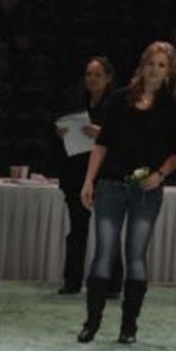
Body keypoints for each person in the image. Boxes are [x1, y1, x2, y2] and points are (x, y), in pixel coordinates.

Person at [77, 40, 176, 345]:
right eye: (151, 63)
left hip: (146, 191)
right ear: (142, 65)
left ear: (169, 72)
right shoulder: (118, 100)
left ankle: (129, 326)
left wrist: (160, 175)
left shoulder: (173, 109)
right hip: (111, 184)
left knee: (136, 255)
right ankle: (91, 323)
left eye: (161, 65)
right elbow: (102, 144)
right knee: (103, 252)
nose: (154, 70)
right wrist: (89, 181)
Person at [54, 56, 116, 295]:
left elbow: (123, 136)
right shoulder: (75, 100)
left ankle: (111, 283)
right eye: (89, 74)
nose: (92, 79)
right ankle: (72, 281)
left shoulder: (115, 104)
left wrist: (102, 132)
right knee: (77, 230)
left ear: (108, 78)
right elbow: (59, 123)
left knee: (107, 230)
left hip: (104, 174)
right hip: (75, 172)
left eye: (98, 75)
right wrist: (60, 132)